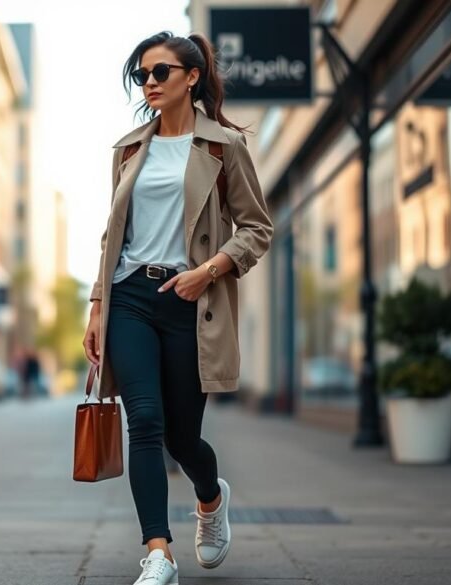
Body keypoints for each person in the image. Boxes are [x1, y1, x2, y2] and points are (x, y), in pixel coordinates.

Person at [82, 31, 273, 585]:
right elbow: (111, 236)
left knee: (181, 436)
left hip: (193, 302)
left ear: (191, 77)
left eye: (160, 72)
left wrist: (210, 270)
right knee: (143, 420)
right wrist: (98, 306)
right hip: (132, 298)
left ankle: (211, 501)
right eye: (142, 75)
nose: (148, 83)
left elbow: (256, 228)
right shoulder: (127, 149)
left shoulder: (221, 148)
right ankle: (159, 553)